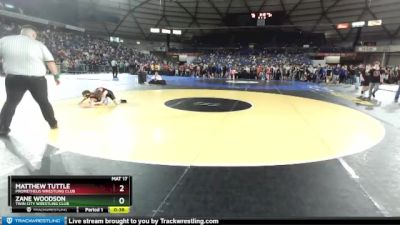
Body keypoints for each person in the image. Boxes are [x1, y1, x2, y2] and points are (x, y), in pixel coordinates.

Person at [0, 25, 60, 135]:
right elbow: (50, 62)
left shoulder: (4, 41)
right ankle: (53, 123)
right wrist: (56, 77)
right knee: (43, 102)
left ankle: (2, 128)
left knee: (11, 103)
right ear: (33, 34)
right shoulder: (38, 44)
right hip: (36, 80)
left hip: (14, 78)